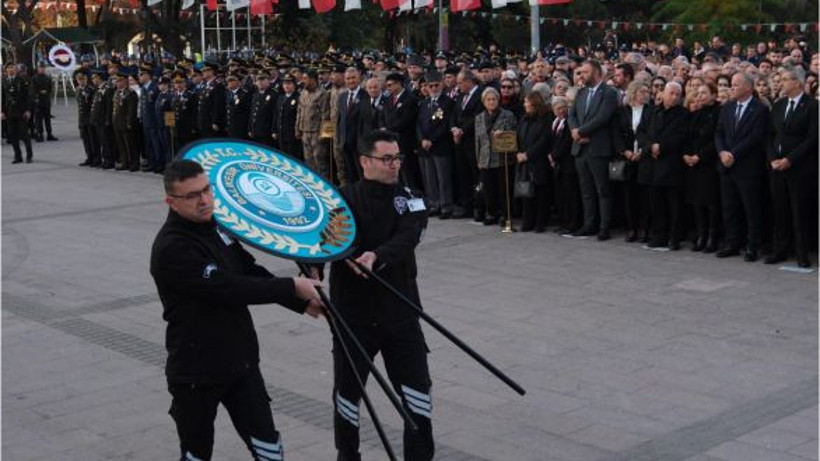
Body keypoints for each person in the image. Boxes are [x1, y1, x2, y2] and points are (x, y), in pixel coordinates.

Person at [150, 159, 324, 461]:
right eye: (192, 196)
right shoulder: (172, 248)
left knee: (269, 449)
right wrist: (291, 286)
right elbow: (228, 288)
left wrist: (299, 300)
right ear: (171, 202)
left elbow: (247, 269)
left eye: (206, 190)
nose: (204, 201)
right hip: (197, 371)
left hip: (240, 363)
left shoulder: (214, 227)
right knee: (196, 453)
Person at [326, 130, 433, 461]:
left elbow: (408, 235)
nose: (394, 165)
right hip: (353, 316)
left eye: (397, 158)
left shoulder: (410, 197)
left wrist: (376, 256)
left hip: (400, 311)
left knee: (417, 395)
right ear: (364, 161)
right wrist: (320, 262)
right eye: (386, 159)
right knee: (347, 397)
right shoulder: (341, 199)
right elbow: (323, 239)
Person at [765, 67, 818, 268]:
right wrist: (772, 158)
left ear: (797, 82)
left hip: (800, 168)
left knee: (799, 212)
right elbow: (769, 135)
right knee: (780, 210)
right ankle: (780, 249)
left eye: (785, 79)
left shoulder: (812, 106)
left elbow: (812, 138)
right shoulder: (778, 106)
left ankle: (802, 253)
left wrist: (790, 159)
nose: (781, 83)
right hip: (777, 167)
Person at [715, 72, 769, 262]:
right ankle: (732, 243)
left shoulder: (760, 109)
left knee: (751, 209)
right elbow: (719, 132)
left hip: (747, 167)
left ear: (748, 87)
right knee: (730, 207)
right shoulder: (727, 108)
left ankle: (753, 246)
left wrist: (733, 154)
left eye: (736, 84)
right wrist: (722, 152)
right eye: (731, 84)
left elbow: (756, 137)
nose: (732, 87)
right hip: (727, 165)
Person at [567, 59, 619, 240]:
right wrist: (575, 131)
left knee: (602, 190)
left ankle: (604, 227)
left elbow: (602, 117)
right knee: (586, 190)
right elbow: (571, 114)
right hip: (580, 149)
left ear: (597, 73)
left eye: (585, 72)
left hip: (598, 148)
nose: (581, 75)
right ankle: (589, 224)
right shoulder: (581, 92)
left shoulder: (609, 93)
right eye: (580, 72)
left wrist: (580, 131)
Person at [644, 82, 689, 250]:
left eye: (678, 94)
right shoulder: (651, 112)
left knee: (674, 205)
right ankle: (658, 235)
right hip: (653, 164)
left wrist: (660, 147)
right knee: (656, 204)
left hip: (672, 164)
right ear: (663, 93)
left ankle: (674, 237)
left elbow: (681, 136)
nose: (675, 97)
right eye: (671, 93)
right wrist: (650, 146)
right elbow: (642, 132)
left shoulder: (684, 114)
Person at [685, 82, 722, 253]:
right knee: (697, 202)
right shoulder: (695, 114)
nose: (699, 96)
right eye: (698, 93)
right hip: (692, 164)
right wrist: (686, 155)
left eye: (704, 93)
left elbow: (716, 139)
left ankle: (712, 237)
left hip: (708, 163)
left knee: (711, 203)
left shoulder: (719, 113)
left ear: (714, 95)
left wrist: (700, 156)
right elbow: (686, 137)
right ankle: (701, 235)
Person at [613, 81, 652, 243]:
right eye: (642, 91)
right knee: (629, 195)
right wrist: (625, 151)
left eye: (647, 92)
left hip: (645, 158)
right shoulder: (623, 111)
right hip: (628, 158)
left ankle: (645, 228)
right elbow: (616, 134)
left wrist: (643, 151)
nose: (646, 94)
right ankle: (632, 228)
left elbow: (652, 132)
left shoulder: (651, 111)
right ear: (633, 93)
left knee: (644, 195)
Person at [474, 87, 517, 226]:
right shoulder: (479, 118)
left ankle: (505, 215)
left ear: (498, 101)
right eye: (488, 100)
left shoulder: (508, 115)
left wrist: (503, 133)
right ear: (484, 102)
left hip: (502, 157)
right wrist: (478, 159)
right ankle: (491, 212)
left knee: (503, 188)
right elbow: (477, 140)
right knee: (488, 188)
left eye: (494, 99)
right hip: (485, 158)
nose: (491, 102)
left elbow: (514, 134)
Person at [416, 70, 455, 219]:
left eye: (436, 85)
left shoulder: (447, 103)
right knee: (429, 177)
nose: (433, 88)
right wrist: (422, 139)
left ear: (442, 85)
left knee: (443, 177)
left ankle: (446, 206)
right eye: (430, 85)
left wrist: (431, 140)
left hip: (440, 145)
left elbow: (445, 125)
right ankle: (434, 204)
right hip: (425, 146)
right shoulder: (424, 103)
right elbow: (418, 124)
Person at [515, 91, 553, 232]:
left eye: (526, 102)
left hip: (539, 161)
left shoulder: (545, 119)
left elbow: (544, 141)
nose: (524, 104)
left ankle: (540, 222)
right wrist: (518, 152)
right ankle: (528, 221)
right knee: (527, 192)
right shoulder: (524, 119)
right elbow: (518, 136)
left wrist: (528, 154)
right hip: (524, 160)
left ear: (534, 103)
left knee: (540, 192)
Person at [449, 70, 483, 219]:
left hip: (473, 141)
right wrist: (454, 128)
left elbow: (477, 117)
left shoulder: (480, 95)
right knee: (463, 175)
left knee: (476, 176)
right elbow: (454, 115)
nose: (458, 85)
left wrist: (462, 130)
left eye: (460, 82)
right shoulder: (461, 96)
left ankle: (479, 205)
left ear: (469, 81)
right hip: (459, 142)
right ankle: (466, 205)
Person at [380, 72, 421, 190]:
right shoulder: (388, 99)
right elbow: (382, 116)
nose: (388, 88)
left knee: (408, 171)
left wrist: (387, 128)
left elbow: (406, 120)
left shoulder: (410, 99)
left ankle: (413, 193)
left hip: (405, 141)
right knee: (396, 171)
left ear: (398, 84)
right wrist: (383, 127)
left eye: (390, 85)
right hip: (391, 141)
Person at [550, 96, 582, 235]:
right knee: (561, 195)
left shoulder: (569, 123)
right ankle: (563, 222)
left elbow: (565, 143)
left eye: (564, 107)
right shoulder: (555, 122)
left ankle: (572, 223)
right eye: (558, 108)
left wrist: (554, 155)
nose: (561, 110)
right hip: (558, 165)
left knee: (571, 195)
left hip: (568, 163)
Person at [296, 69, 331, 179]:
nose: (303, 81)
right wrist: (297, 129)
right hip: (305, 132)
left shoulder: (323, 93)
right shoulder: (303, 93)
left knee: (320, 162)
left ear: (313, 79)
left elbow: (327, 115)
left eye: (305, 79)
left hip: (317, 133)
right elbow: (299, 112)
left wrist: (325, 135)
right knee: (308, 161)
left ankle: (324, 185)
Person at [2, 63, 35, 163]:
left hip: (21, 112)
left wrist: (28, 110)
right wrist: (2, 111)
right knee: (13, 136)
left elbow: (28, 97)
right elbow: (2, 98)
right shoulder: (3, 81)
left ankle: (29, 155)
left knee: (24, 135)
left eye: (12, 67)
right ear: (6, 70)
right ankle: (18, 156)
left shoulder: (21, 80)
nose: (10, 69)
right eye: (8, 68)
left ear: (15, 69)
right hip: (9, 112)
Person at [336, 67, 364, 184]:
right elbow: (340, 120)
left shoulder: (365, 96)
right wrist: (339, 138)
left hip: (360, 145)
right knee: (349, 173)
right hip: (345, 143)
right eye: (348, 78)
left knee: (361, 174)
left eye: (353, 78)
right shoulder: (342, 97)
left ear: (359, 78)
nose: (351, 81)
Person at [111, 73, 139, 171]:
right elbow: (114, 108)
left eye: (119, 81)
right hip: (117, 122)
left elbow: (132, 110)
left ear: (125, 81)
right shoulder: (116, 92)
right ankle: (125, 162)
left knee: (130, 144)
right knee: (121, 145)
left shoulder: (130, 93)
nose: (117, 83)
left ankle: (134, 163)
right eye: (117, 81)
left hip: (126, 123)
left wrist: (129, 122)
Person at [274, 75, 301, 160]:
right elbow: (276, 115)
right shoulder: (281, 97)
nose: (286, 86)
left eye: (289, 83)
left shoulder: (298, 97)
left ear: (294, 85)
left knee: (293, 157)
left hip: (292, 134)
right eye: (284, 83)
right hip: (282, 133)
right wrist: (274, 130)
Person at [75, 72, 100, 167]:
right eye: (79, 79)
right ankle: (89, 157)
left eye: (82, 79)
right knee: (85, 140)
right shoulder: (77, 90)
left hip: (89, 118)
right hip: (82, 119)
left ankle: (96, 158)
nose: (81, 81)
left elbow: (92, 105)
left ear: (86, 79)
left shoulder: (91, 90)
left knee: (93, 140)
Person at [197, 64, 226, 138]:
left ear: (212, 71)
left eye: (206, 70)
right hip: (204, 120)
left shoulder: (217, 85)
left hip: (211, 121)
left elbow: (218, 105)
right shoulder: (204, 85)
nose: (203, 72)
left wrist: (215, 122)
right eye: (203, 71)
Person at [32, 62, 57, 142]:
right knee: (38, 120)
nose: (42, 69)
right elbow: (32, 90)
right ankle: (40, 134)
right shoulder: (34, 78)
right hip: (38, 100)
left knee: (47, 119)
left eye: (43, 68)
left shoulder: (47, 77)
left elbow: (50, 88)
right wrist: (39, 92)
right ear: (38, 68)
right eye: (41, 68)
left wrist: (47, 92)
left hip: (46, 100)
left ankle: (49, 134)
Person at [224, 73, 252, 141]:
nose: (229, 83)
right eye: (228, 81)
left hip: (240, 126)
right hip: (231, 125)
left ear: (238, 82)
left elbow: (247, 111)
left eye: (231, 80)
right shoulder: (228, 94)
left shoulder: (244, 94)